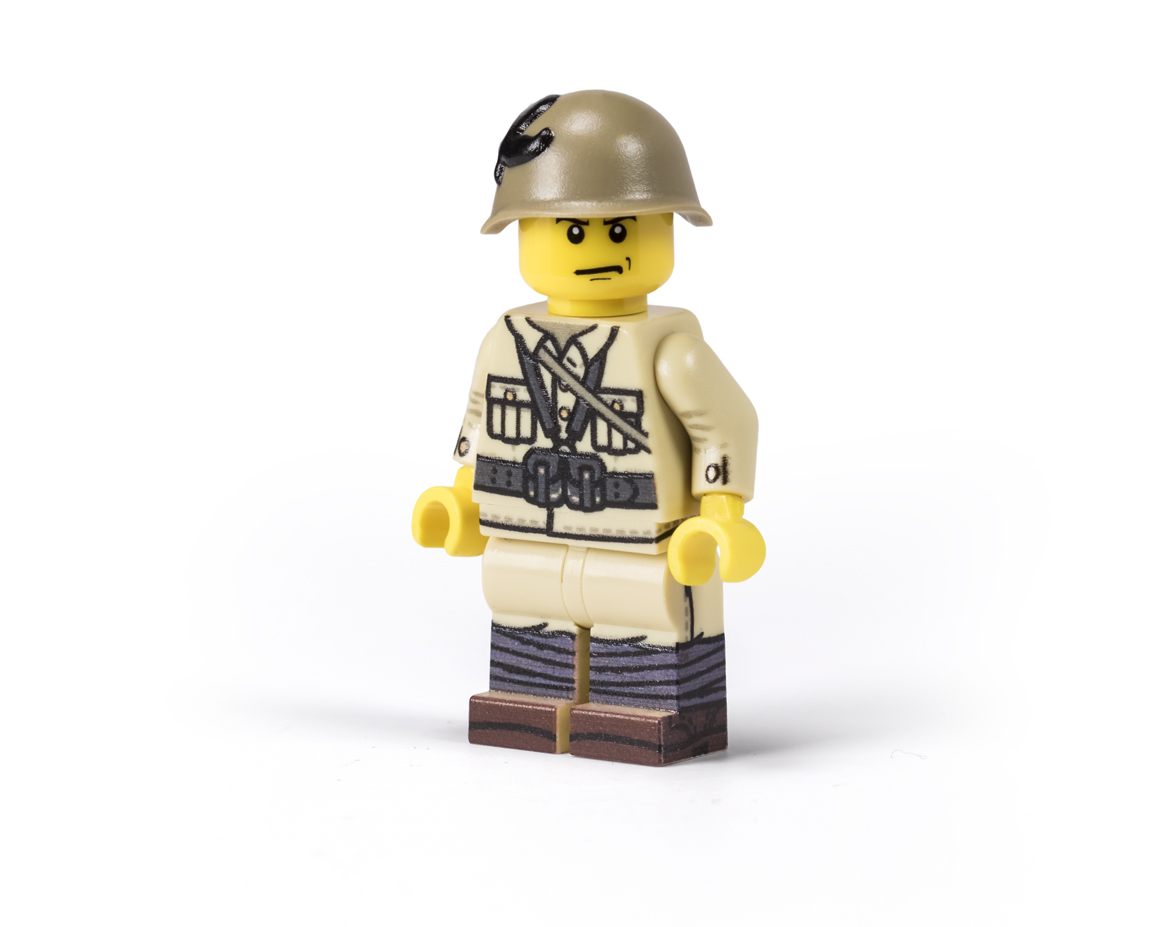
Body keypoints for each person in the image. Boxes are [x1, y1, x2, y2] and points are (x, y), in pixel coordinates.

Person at [412, 90, 764, 766]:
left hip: (640, 531)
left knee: (644, 609)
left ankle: (644, 711)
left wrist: (721, 512)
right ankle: (528, 700)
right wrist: (460, 498)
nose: (597, 247)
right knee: (522, 599)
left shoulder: (670, 350)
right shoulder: (505, 339)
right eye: (572, 231)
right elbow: (482, 423)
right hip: (525, 523)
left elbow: (725, 424)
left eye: (621, 229)